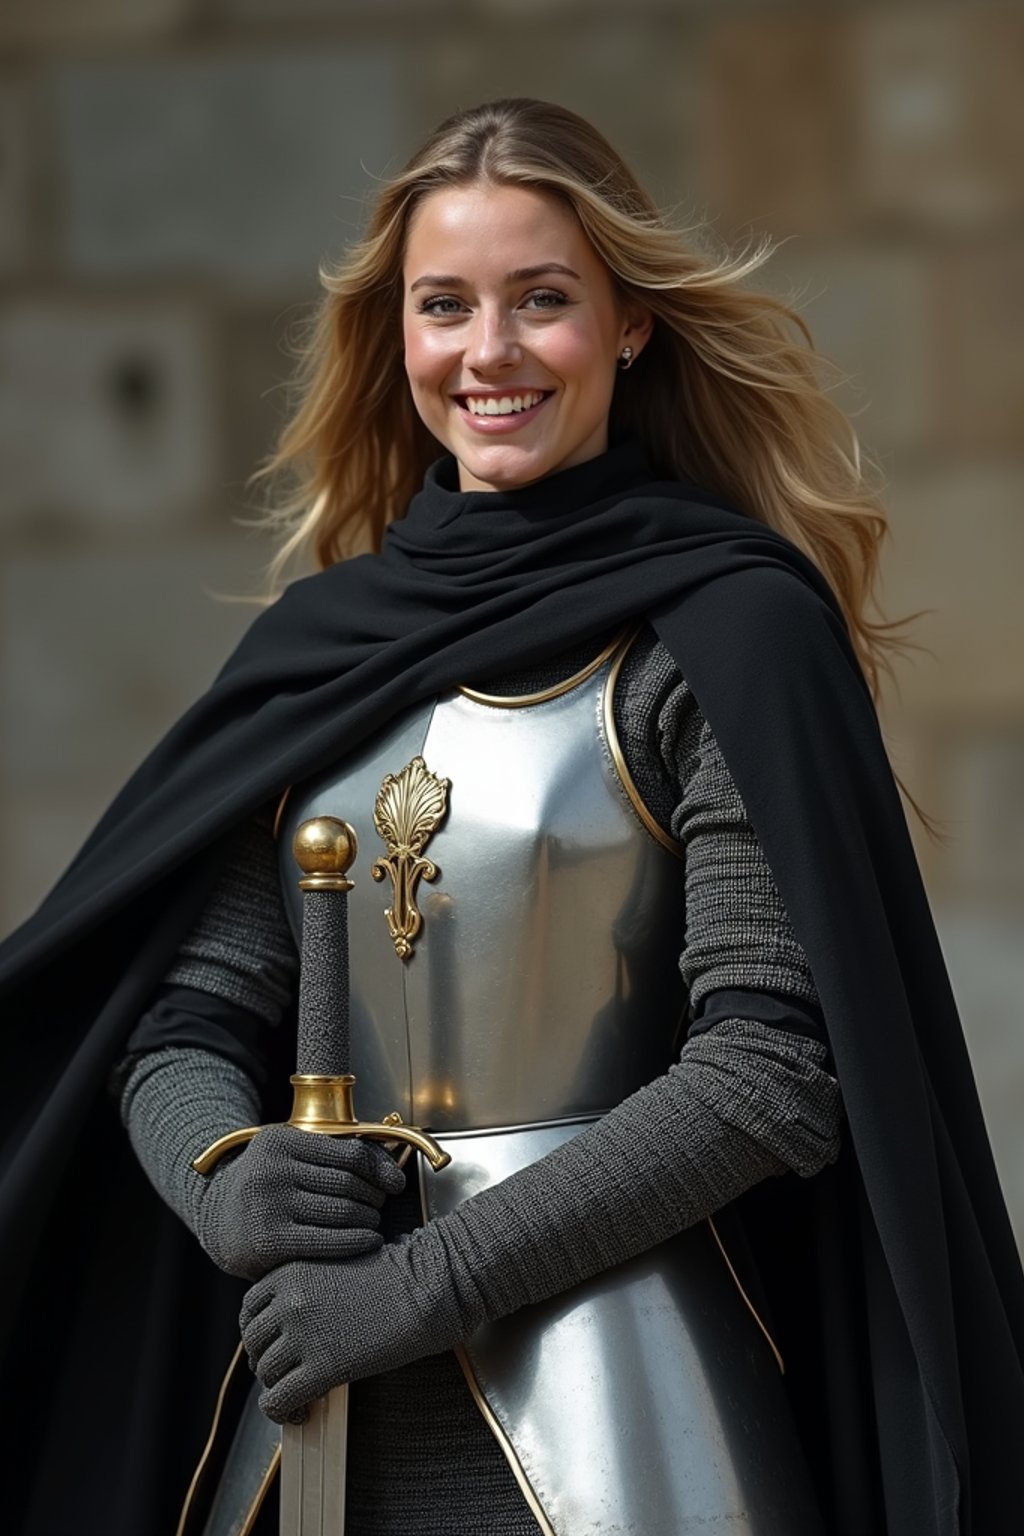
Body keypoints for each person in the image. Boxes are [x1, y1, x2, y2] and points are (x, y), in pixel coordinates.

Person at [1, 97, 1022, 1536]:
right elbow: (185, 1022)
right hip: (310, 1434)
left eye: (542, 300)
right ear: (397, 333)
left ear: (628, 326)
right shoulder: (330, 651)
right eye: (446, 305)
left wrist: (423, 1288)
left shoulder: (726, 635)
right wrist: (229, 1182)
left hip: (630, 1417)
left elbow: (769, 1073)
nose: (489, 352)